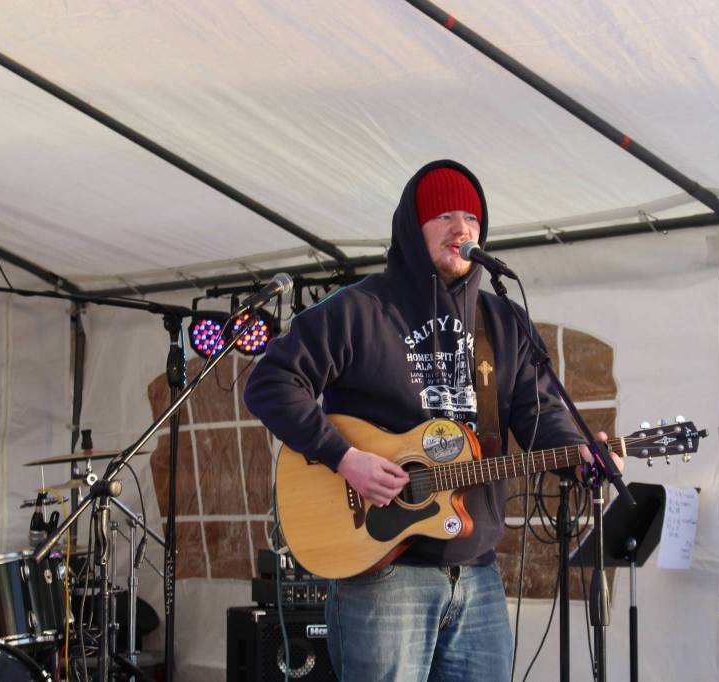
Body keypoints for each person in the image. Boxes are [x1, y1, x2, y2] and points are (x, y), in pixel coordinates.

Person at [243, 160, 622, 681]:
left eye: (470, 216)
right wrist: (344, 457)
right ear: (411, 227)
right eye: (444, 215)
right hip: (383, 573)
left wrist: (578, 456)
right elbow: (269, 383)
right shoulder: (359, 310)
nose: (461, 228)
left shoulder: (501, 320)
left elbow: (539, 412)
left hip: (478, 573)